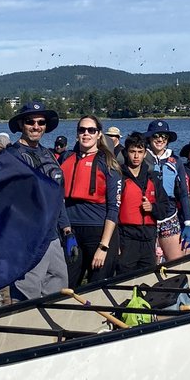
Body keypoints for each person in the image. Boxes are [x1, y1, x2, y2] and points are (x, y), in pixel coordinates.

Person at [5, 101, 70, 300]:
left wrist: (66, 227)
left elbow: (58, 194)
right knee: (27, 292)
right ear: (21, 125)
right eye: (30, 122)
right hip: (27, 238)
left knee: (59, 287)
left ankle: (53, 329)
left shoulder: (48, 154)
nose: (36, 126)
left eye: (41, 122)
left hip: (52, 236)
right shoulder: (11, 156)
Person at [61, 115, 122, 287]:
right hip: (72, 232)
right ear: (77, 134)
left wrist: (103, 247)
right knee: (67, 285)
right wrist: (66, 230)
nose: (86, 134)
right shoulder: (66, 159)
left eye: (91, 130)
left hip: (99, 232)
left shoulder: (108, 163)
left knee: (98, 287)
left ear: (99, 134)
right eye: (82, 130)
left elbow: (113, 209)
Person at [144, 119, 190, 261]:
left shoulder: (175, 161)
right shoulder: (141, 157)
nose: (160, 140)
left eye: (163, 137)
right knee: (149, 263)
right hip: (147, 215)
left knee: (176, 261)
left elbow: (184, 193)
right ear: (149, 138)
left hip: (169, 216)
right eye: (155, 136)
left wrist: (188, 222)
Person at [116, 132, 164, 274]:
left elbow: (164, 208)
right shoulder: (119, 177)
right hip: (127, 238)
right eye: (132, 151)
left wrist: (152, 208)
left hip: (148, 238)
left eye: (140, 152)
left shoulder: (153, 178)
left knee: (147, 278)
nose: (136, 156)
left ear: (145, 154)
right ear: (126, 153)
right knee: (125, 278)